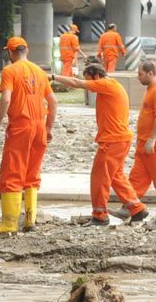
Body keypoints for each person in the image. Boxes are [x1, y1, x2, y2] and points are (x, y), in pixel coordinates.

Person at [51, 63, 148, 225]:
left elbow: (77, 83)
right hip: (120, 138)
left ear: (95, 75)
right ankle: (137, 208)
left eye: (89, 79)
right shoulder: (111, 85)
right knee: (116, 176)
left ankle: (100, 215)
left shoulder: (105, 84)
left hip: (113, 140)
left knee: (99, 178)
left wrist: (53, 77)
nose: (89, 85)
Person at [0, 37, 57, 235]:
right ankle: (29, 220)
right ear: (27, 50)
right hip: (40, 126)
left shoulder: (10, 70)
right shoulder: (40, 71)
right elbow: (53, 101)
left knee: (12, 172)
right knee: (32, 173)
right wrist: (49, 127)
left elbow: (6, 98)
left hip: (21, 127)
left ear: (10, 52)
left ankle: (9, 223)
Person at [112, 61, 156, 220]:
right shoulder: (151, 89)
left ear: (150, 73)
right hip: (144, 142)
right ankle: (129, 209)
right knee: (136, 178)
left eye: (140, 74)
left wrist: (152, 139)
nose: (138, 77)